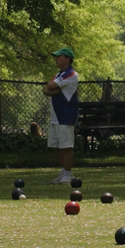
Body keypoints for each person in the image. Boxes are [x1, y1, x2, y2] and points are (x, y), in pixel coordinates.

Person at [43, 47, 80, 185]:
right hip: (55, 116)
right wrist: (52, 90)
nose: (56, 59)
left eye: (59, 56)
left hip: (65, 115)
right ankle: (64, 170)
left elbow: (50, 85)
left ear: (67, 59)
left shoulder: (71, 74)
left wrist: (51, 88)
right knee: (55, 145)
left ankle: (68, 173)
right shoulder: (59, 74)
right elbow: (47, 88)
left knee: (66, 146)